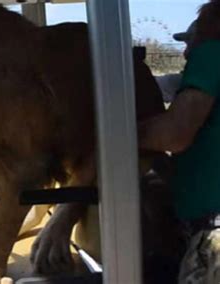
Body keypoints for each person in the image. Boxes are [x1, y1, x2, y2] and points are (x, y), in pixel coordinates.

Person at [138, 0, 220, 283]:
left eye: (192, 40)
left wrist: (119, 133)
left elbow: (176, 133)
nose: (186, 51)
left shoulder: (213, 54)